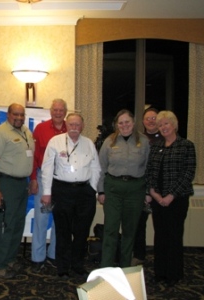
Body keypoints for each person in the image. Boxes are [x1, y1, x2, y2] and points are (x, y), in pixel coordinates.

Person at [41, 113, 101, 279]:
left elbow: (96, 168)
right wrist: (47, 193)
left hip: (84, 193)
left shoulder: (89, 143)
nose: (74, 127)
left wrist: (93, 189)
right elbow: (46, 168)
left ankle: (78, 265)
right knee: (63, 231)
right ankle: (63, 267)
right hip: (62, 190)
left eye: (77, 125)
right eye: (71, 124)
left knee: (82, 232)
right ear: (66, 125)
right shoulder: (56, 141)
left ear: (82, 126)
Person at [146, 110, 196, 287]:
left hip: (177, 200)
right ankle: (160, 272)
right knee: (160, 236)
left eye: (166, 123)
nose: (163, 127)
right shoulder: (156, 146)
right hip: (158, 199)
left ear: (174, 125)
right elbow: (150, 171)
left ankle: (174, 274)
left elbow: (188, 173)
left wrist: (170, 195)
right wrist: (153, 193)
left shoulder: (186, 145)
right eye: (160, 124)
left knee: (174, 236)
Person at [97, 109, 150, 268]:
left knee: (129, 231)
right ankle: (106, 267)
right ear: (116, 125)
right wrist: (101, 191)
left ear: (133, 123)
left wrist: (147, 192)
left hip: (135, 190)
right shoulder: (109, 142)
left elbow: (148, 168)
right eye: (121, 122)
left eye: (127, 122)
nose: (124, 125)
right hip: (113, 188)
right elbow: (101, 168)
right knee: (110, 230)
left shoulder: (144, 141)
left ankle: (125, 267)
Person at [0, 103, 35, 279]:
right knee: (5, 226)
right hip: (5, 184)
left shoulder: (26, 131)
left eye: (22, 115)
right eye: (16, 114)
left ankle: (9, 259)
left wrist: (29, 181)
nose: (19, 118)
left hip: (21, 185)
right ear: (8, 115)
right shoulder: (0, 132)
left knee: (17, 225)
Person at [29, 99, 67, 272]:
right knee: (42, 219)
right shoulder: (41, 129)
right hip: (44, 180)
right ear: (50, 111)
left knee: (61, 220)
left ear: (65, 111)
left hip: (63, 183)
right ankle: (38, 258)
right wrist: (33, 179)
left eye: (61, 110)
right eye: (55, 109)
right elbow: (35, 156)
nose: (58, 113)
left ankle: (54, 255)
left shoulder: (71, 129)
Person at [131, 107, 164, 266]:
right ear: (142, 122)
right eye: (147, 118)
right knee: (138, 223)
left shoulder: (166, 138)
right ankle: (139, 255)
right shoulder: (138, 139)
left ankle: (161, 258)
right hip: (142, 189)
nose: (151, 121)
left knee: (162, 227)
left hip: (162, 190)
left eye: (154, 118)